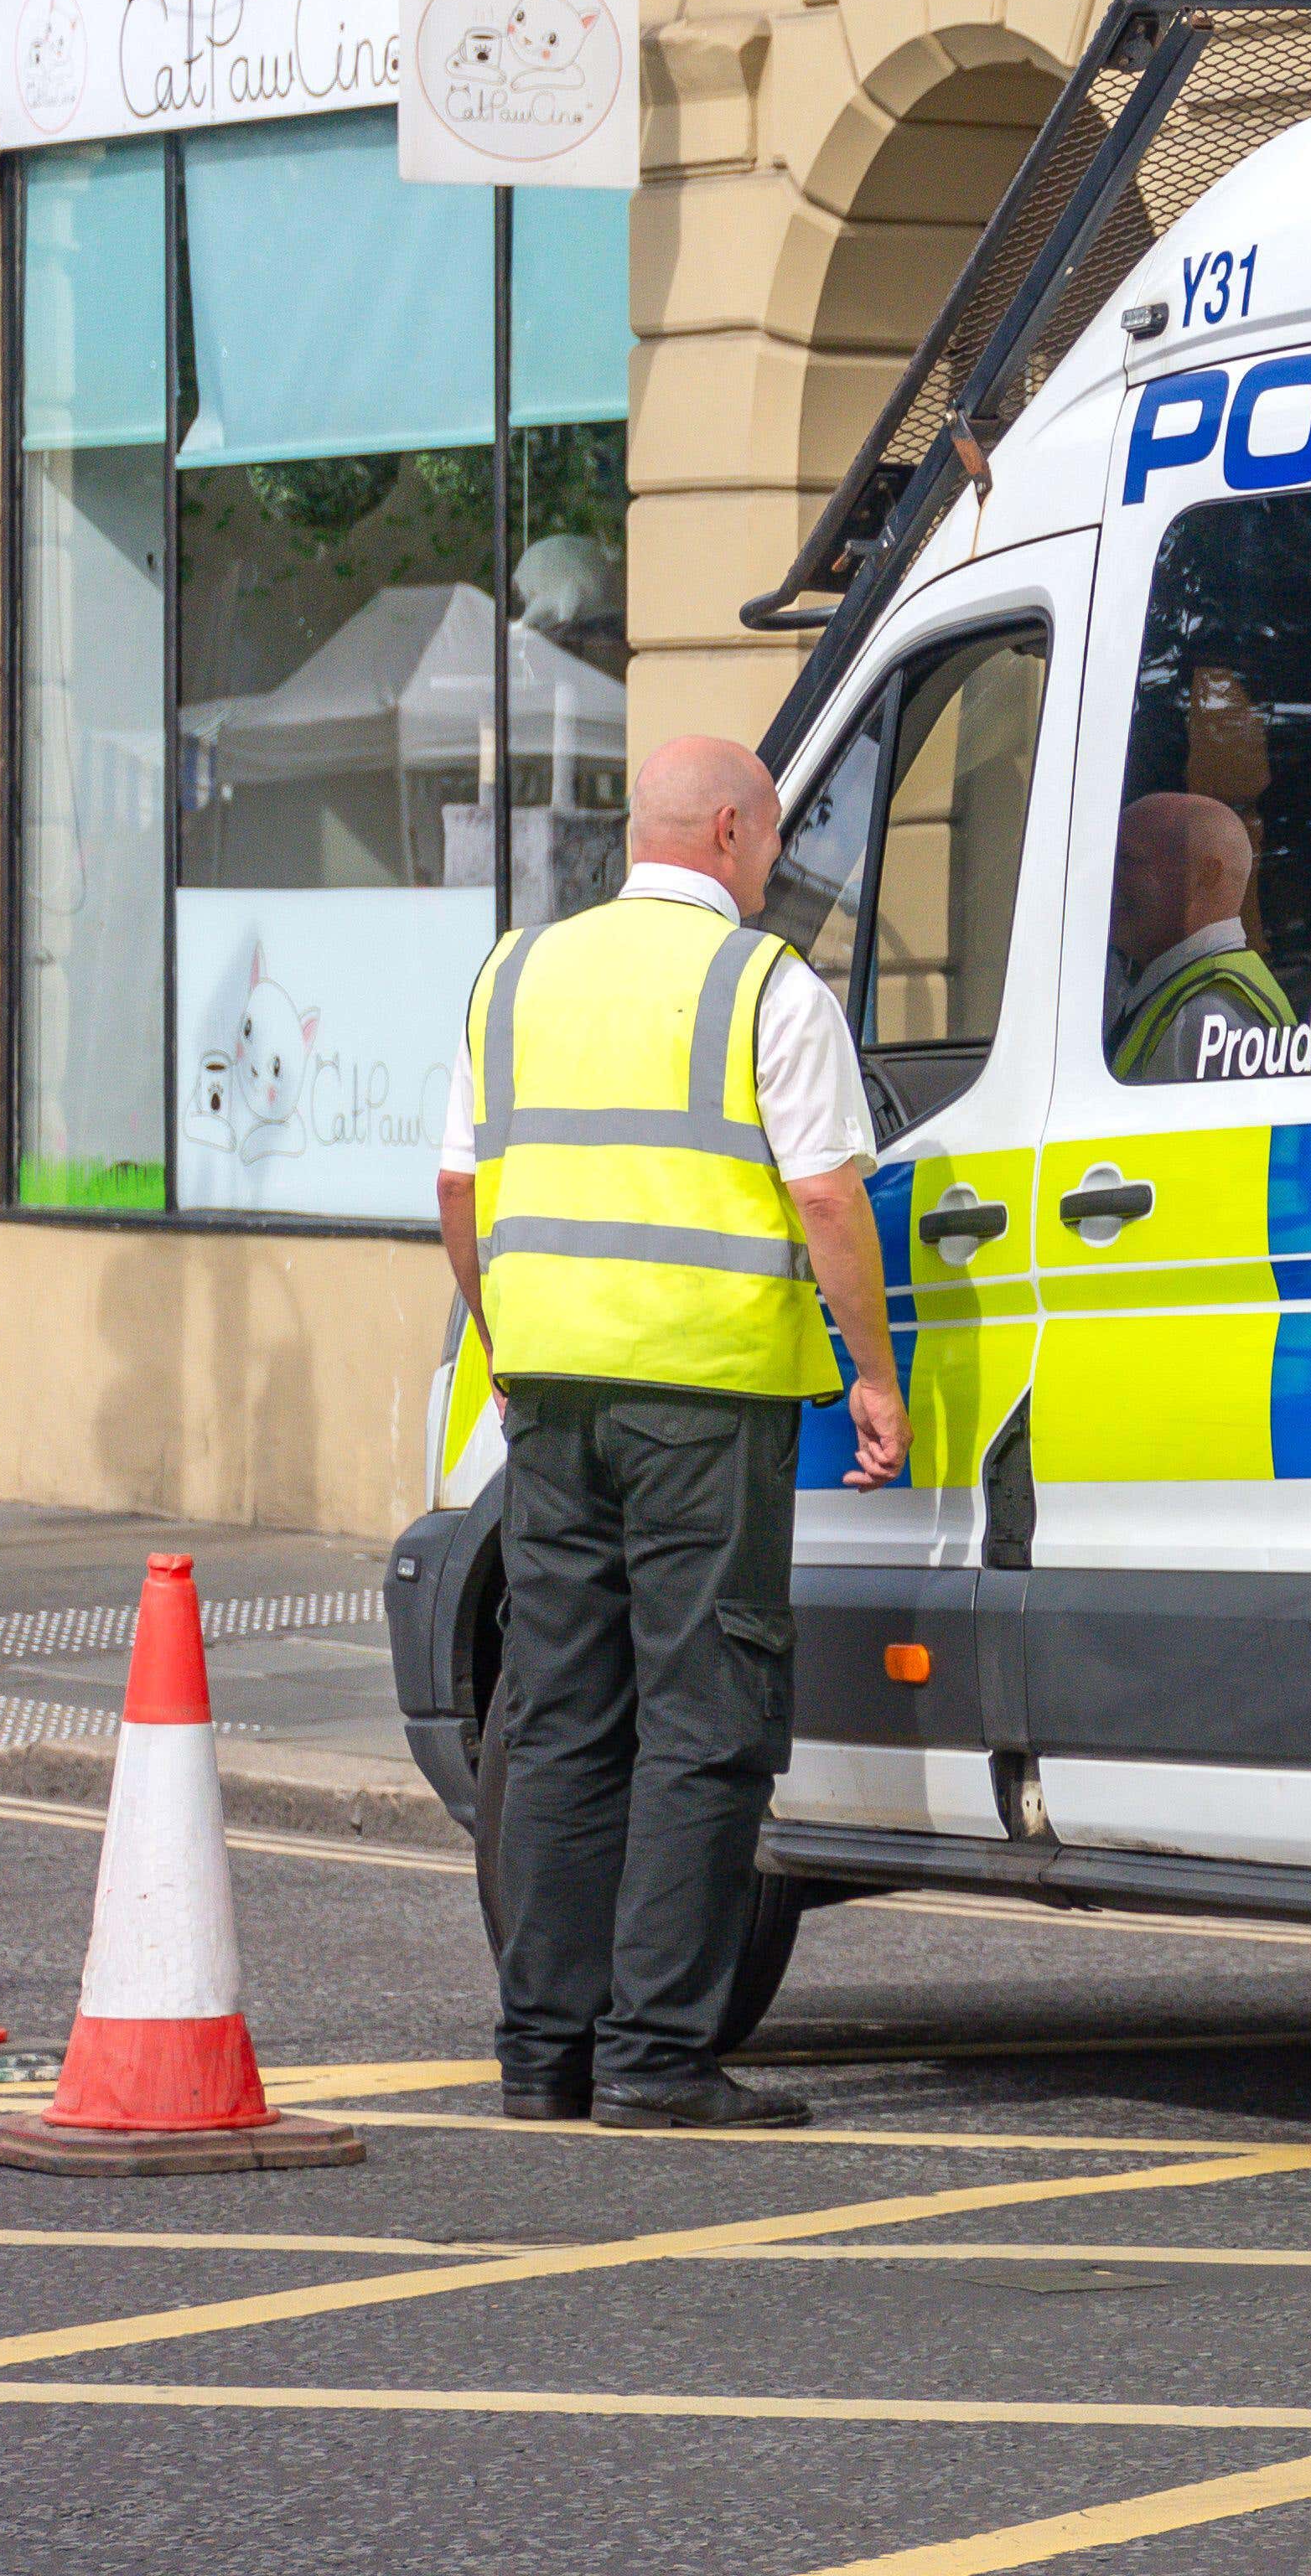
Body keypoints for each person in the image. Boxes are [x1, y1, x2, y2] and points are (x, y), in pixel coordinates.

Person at [439, 735, 908, 2132]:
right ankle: (655, 2056)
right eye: (775, 837)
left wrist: (505, 1339)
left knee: (562, 1718)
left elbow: (460, 1192)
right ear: (729, 833)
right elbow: (825, 1198)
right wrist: (873, 1375)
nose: (781, 863)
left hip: (553, 1399)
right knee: (706, 1722)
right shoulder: (765, 986)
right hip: (706, 1403)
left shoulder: (516, 976)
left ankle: (544, 2055)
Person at [1109, 788, 1294, 1082]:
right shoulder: (1193, 991)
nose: (1109, 878)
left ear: (1207, 875)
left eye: (1128, 860)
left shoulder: (1201, 1019)